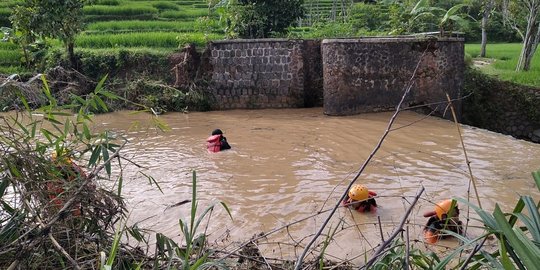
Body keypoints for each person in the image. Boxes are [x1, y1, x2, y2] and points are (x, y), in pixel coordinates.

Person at [47, 149, 88, 216]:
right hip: (62, 204)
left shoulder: (74, 168)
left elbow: (85, 181)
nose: (61, 166)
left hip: (74, 199)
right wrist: (62, 210)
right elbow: (53, 194)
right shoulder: (52, 174)